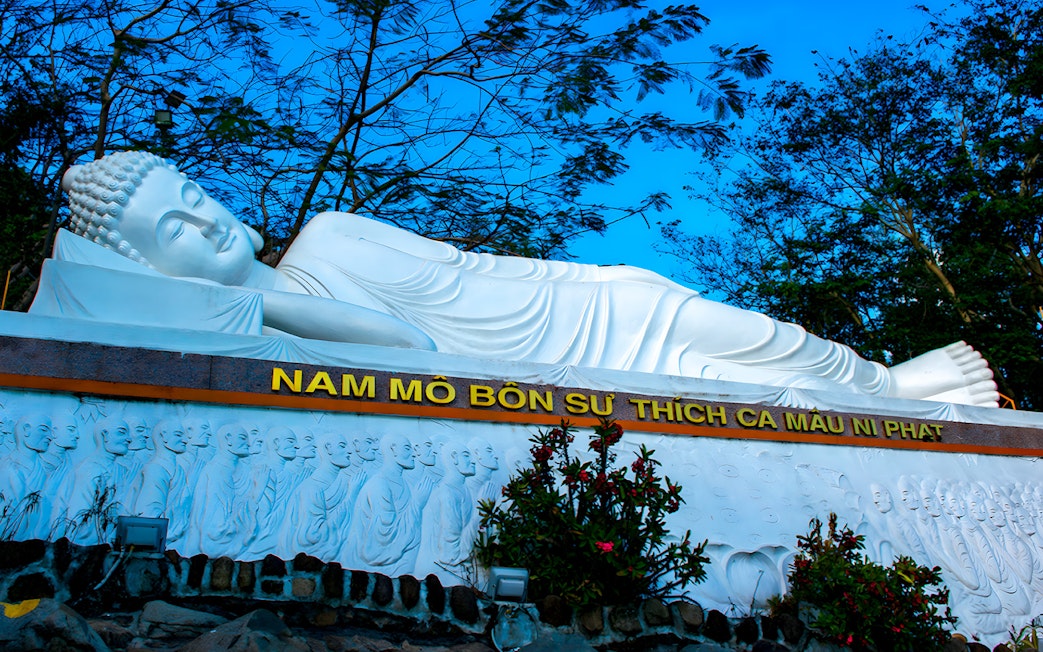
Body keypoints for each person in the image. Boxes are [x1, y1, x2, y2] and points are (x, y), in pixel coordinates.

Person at [59, 151, 999, 406]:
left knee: (709, 325)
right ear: (147, 261)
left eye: (194, 193)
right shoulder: (273, 319)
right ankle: (895, 406)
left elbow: (475, 271)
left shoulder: (328, 232)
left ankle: (884, 381)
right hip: (529, 375)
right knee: (732, 391)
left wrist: (591, 280)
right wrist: (257, 301)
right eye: (172, 228)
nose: (207, 220)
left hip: (565, 311)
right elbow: (414, 350)